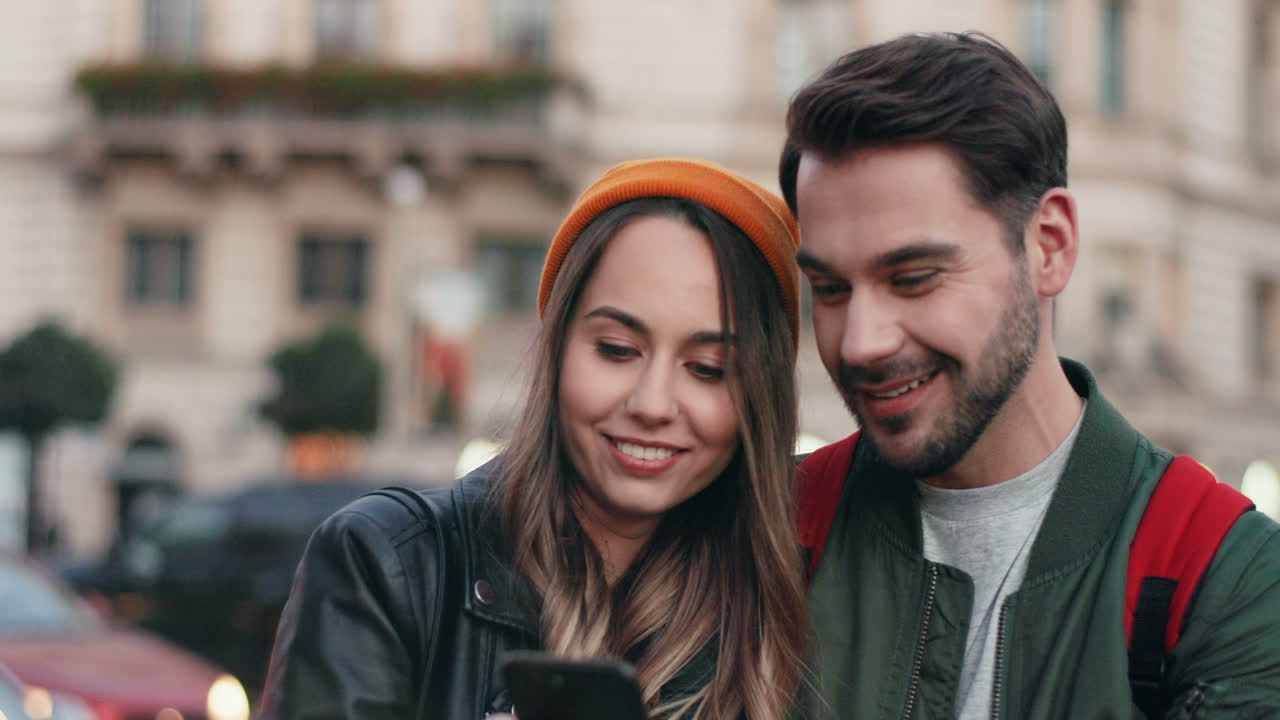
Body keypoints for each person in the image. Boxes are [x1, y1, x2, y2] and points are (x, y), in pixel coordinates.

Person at [779, 32, 1280, 719]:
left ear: (1050, 246)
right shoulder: (771, 530)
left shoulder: (1225, 571)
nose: (861, 343)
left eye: (914, 278)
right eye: (830, 290)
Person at [259, 158, 810, 720]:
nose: (651, 404)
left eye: (709, 368)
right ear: (555, 349)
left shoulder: (800, 602)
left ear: (759, 396)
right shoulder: (388, 564)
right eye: (617, 350)